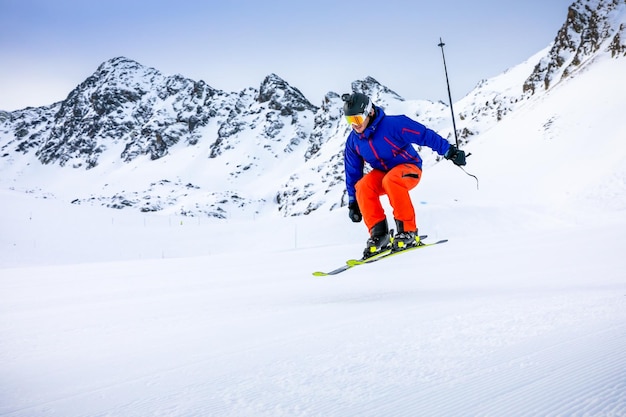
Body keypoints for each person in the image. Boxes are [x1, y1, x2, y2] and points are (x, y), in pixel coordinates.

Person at [342, 92, 466, 258]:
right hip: (384, 174)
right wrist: (353, 202)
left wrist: (450, 151)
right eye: (350, 121)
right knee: (363, 187)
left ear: (370, 113)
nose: (354, 125)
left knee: (391, 180)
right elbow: (352, 172)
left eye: (357, 119)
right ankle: (380, 235)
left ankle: (408, 231)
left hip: (410, 169)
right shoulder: (354, 141)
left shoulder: (394, 124)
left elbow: (424, 135)